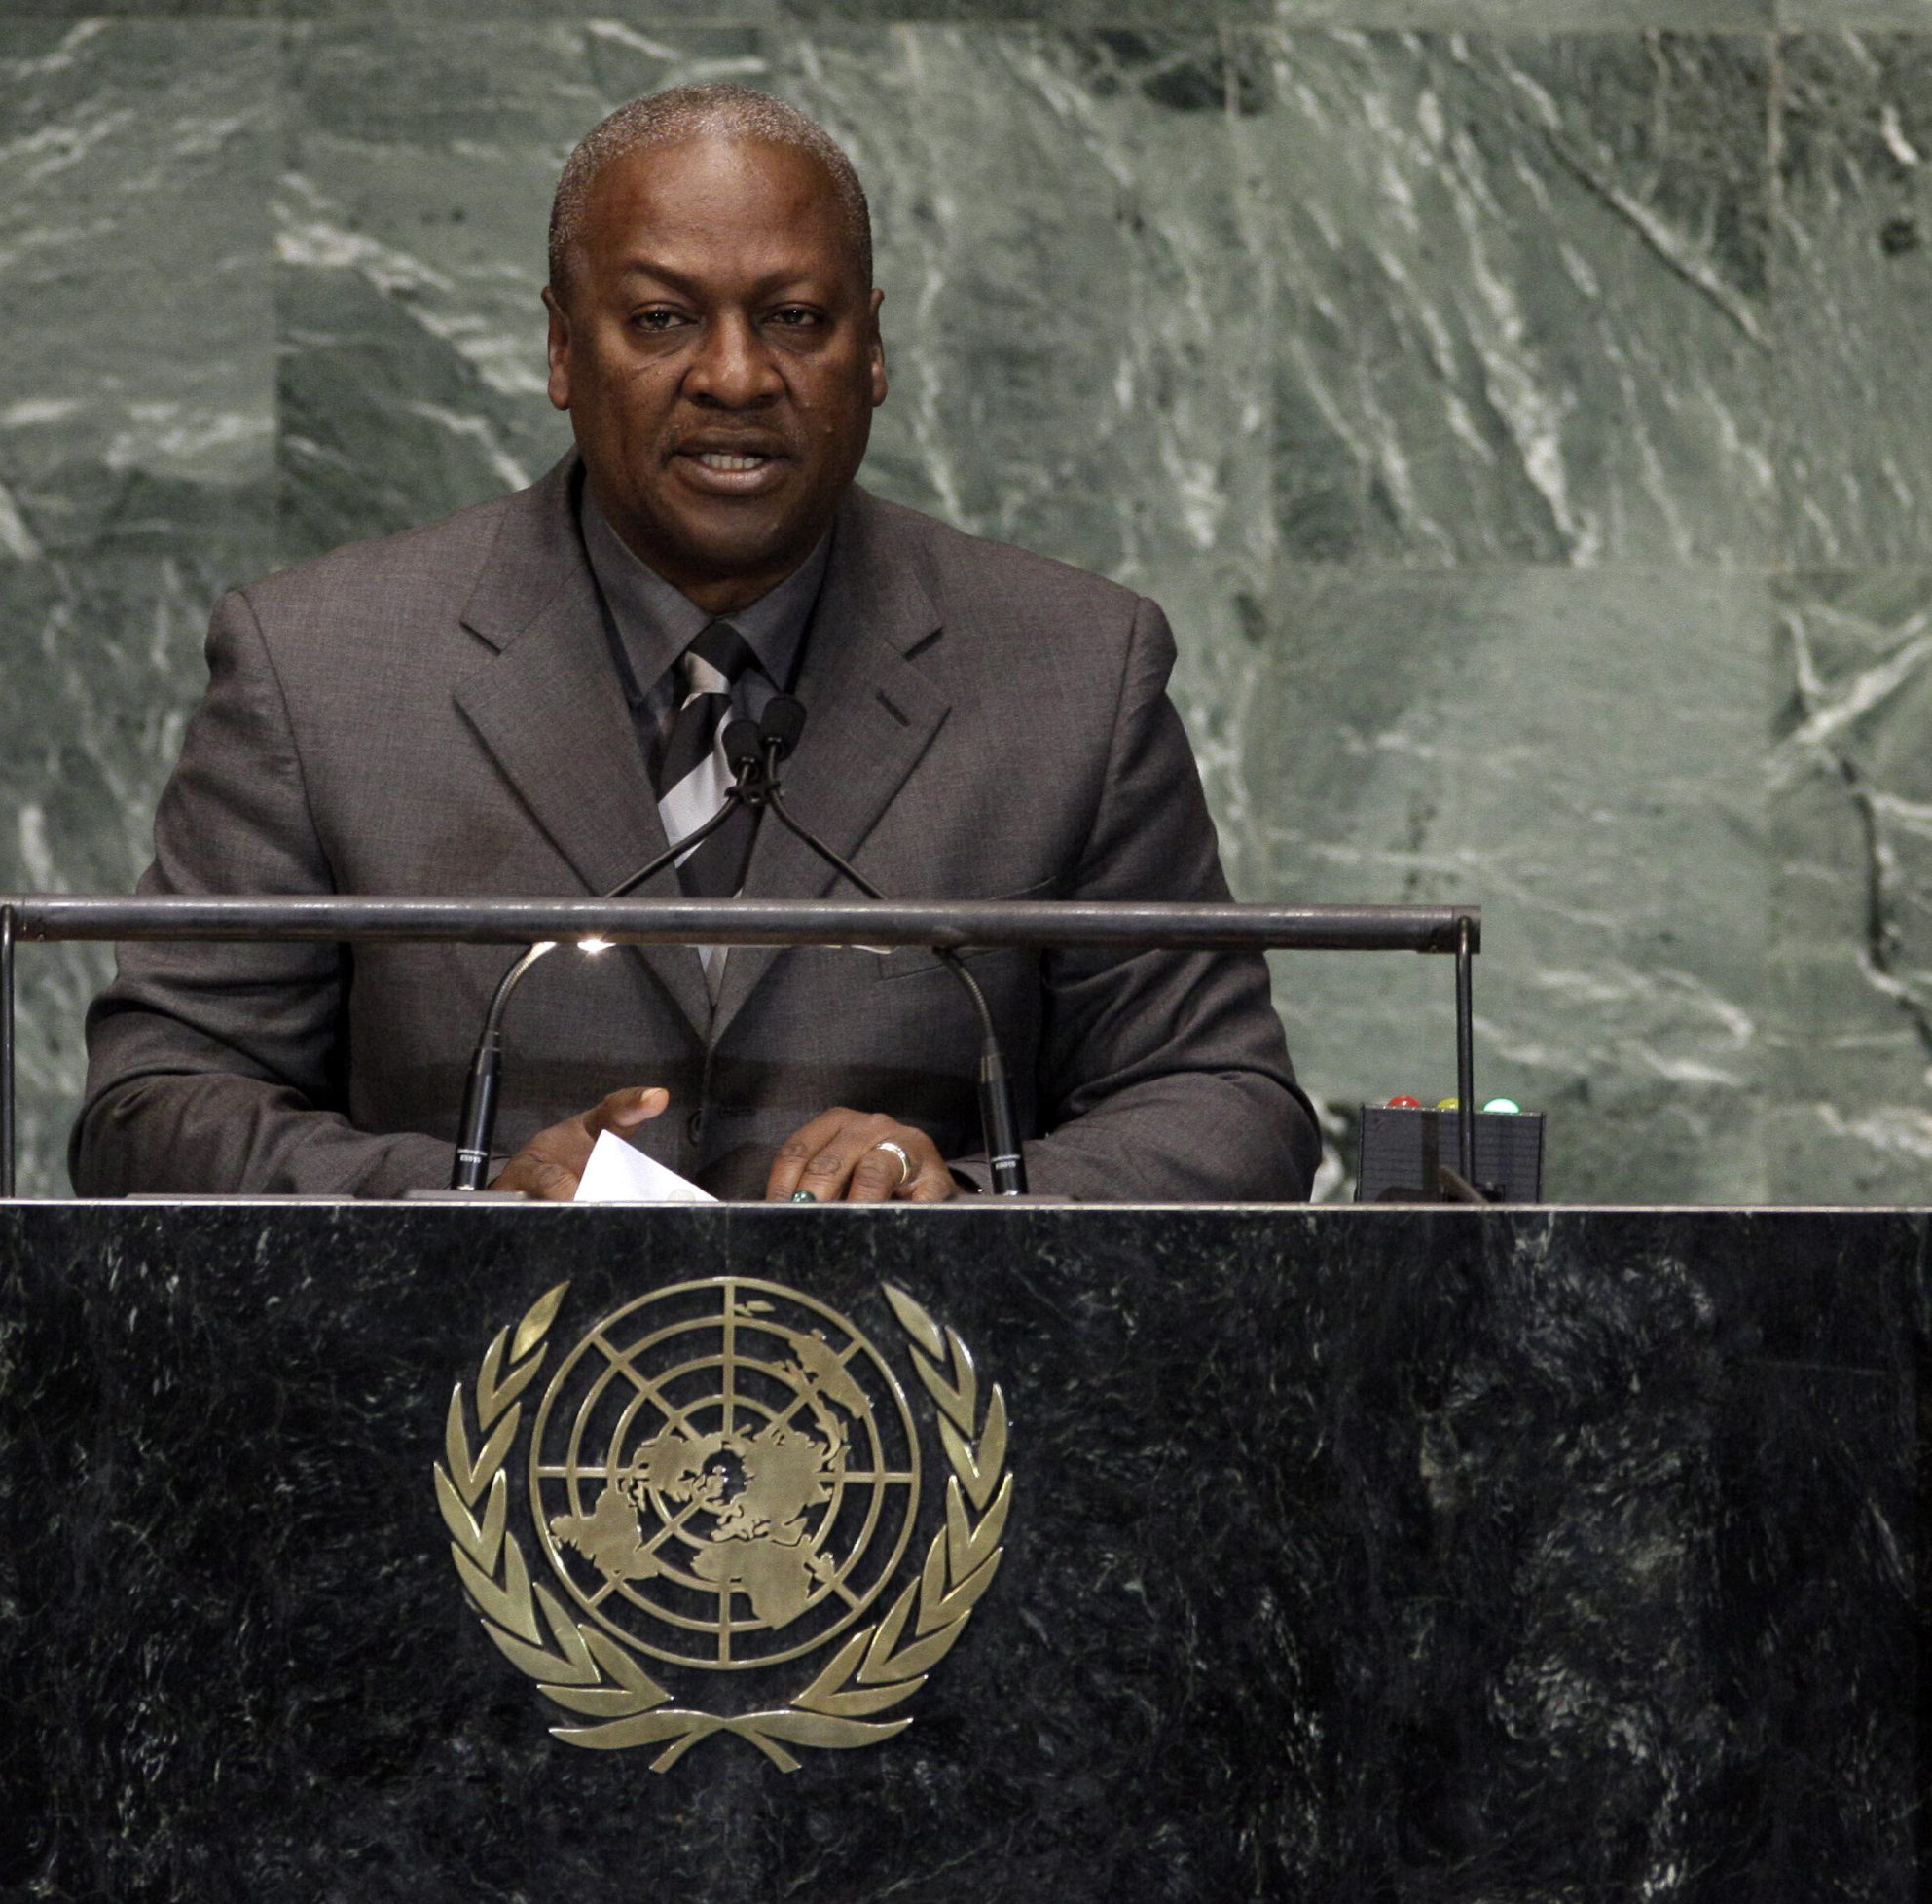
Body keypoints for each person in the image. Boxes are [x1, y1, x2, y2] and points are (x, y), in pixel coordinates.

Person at [72, 84, 1317, 1204]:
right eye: (663, 318)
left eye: (794, 317)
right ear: (564, 347)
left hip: (920, 1383)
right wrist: (463, 1206)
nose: (733, 374)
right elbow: (156, 1104)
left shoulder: (1072, 670)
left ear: (872, 348)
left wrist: (964, 1201)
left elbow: (1224, 1105)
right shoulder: (321, 667)